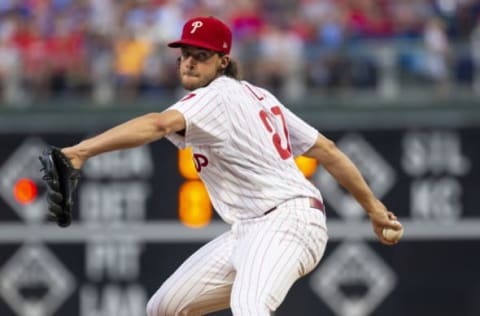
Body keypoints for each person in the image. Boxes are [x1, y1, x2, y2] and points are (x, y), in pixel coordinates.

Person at [60, 16, 402, 316]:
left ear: (223, 61)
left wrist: (81, 151)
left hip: (286, 220)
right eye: (186, 55)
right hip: (250, 229)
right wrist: (374, 209)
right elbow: (327, 150)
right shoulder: (258, 96)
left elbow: (157, 124)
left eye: (201, 56)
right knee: (164, 307)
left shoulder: (217, 95)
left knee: (250, 306)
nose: (190, 63)